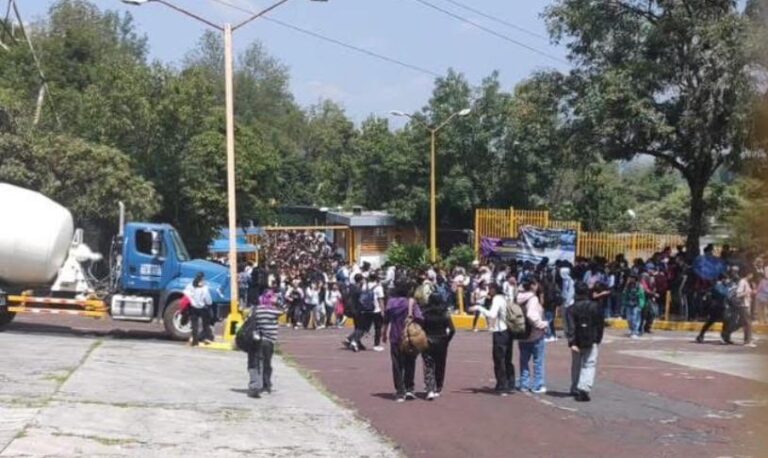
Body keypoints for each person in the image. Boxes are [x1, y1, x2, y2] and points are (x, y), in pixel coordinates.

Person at [382, 279, 423, 402]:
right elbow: (420, 318)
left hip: (395, 336)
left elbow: (386, 320)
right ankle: (409, 388)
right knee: (410, 363)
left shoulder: (390, 302)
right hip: (410, 337)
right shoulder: (411, 302)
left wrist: (384, 334)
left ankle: (400, 391)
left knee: (397, 365)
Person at [470, 283, 514, 396]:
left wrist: (479, 307)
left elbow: (492, 314)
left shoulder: (497, 299)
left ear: (494, 289)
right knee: (508, 359)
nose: (488, 291)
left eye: (490, 289)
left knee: (499, 359)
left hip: (500, 331)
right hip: (509, 331)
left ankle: (502, 386)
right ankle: (510, 384)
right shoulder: (506, 298)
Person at [567, 282, 605, 402]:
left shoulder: (571, 308)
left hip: (577, 340)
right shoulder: (595, 306)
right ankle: (584, 388)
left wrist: (572, 342)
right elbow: (600, 324)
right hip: (591, 338)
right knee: (589, 364)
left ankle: (575, 387)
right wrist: (598, 339)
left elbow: (570, 327)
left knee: (576, 364)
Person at [247, 289, 284, 398]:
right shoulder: (274, 311)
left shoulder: (256, 310)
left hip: (257, 339)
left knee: (257, 362)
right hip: (269, 341)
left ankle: (256, 384)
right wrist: (277, 302)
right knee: (267, 363)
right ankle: (266, 385)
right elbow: (284, 310)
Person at [421, 286, 456, 400]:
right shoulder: (444, 313)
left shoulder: (425, 313)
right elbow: (452, 329)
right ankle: (438, 387)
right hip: (441, 341)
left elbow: (421, 328)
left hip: (428, 340)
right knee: (440, 365)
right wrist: (447, 340)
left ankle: (430, 388)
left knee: (428, 365)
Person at [516, 279, 549, 394]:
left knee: (524, 361)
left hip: (521, 333)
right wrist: (543, 324)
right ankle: (537, 385)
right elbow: (531, 315)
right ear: (533, 286)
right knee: (538, 361)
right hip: (535, 334)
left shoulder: (518, 297)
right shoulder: (533, 299)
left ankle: (524, 384)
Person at [696, 274, 732, 344]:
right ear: (723, 279)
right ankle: (700, 335)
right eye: (727, 279)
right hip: (715, 307)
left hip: (722, 307)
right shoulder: (717, 286)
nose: (728, 280)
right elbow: (723, 294)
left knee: (727, 321)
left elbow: (727, 296)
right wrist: (728, 289)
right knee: (710, 322)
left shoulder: (724, 286)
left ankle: (725, 337)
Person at [725, 269, 756, 347]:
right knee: (748, 323)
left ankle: (726, 333)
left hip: (746, 304)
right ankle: (747, 341)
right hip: (743, 305)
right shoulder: (742, 282)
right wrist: (747, 293)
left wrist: (751, 292)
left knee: (741, 323)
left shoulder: (746, 282)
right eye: (751, 274)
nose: (752, 276)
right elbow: (738, 294)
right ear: (748, 274)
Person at [184, 272, 213, 346]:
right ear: (202, 278)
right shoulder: (204, 288)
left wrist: (192, 300)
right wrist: (209, 305)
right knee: (205, 324)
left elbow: (185, 293)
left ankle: (195, 341)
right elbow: (208, 299)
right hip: (203, 308)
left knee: (194, 325)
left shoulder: (191, 285)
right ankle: (207, 338)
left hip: (193, 307)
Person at [622, 275, 645, 339]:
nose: (631, 279)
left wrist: (641, 305)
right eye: (630, 278)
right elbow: (624, 294)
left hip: (636, 304)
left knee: (635, 318)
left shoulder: (639, 286)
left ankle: (635, 332)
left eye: (632, 278)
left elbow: (641, 296)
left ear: (635, 279)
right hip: (628, 304)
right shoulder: (628, 286)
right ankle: (631, 329)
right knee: (629, 318)